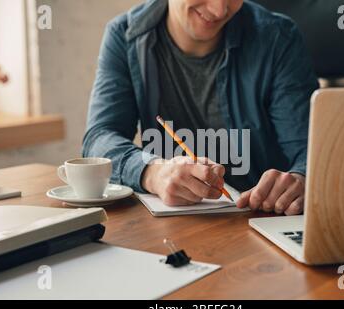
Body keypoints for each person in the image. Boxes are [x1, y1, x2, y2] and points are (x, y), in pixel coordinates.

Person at [83, 0, 319, 215]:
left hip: (260, 220)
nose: (219, 10)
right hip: (172, 224)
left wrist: (301, 178)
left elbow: (310, 149)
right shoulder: (124, 36)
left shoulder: (278, 37)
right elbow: (98, 140)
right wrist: (152, 172)